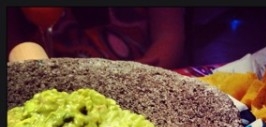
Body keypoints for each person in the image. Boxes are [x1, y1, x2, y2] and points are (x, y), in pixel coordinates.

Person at [7, 7, 186, 69]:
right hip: (48, 68)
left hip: (138, 69)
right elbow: (13, 41)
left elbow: (169, 35)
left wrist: (136, 73)